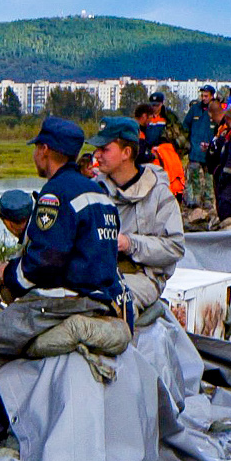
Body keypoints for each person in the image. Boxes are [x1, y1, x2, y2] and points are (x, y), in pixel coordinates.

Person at [0, 117, 126, 461]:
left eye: (37, 149)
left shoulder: (55, 194)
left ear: (45, 151)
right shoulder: (99, 193)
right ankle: (4, 432)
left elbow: (47, 260)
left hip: (57, 302)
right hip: (99, 299)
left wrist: (8, 277)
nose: (36, 156)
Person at [92, 117, 185, 314]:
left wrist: (129, 243)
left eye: (105, 149)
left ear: (126, 153)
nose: (97, 155)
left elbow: (175, 248)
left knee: (115, 302)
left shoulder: (159, 194)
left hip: (143, 276)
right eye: (97, 149)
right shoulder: (93, 191)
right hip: (98, 272)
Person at [135, 102, 186, 200]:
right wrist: (152, 156)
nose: (151, 121)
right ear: (145, 116)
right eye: (150, 117)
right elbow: (139, 156)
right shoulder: (138, 132)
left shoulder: (138, 130)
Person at [181, 85, 220, 210]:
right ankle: (195, 201)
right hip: (195, 151)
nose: (203, 98)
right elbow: (185, 126)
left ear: (212, 96)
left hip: (210, 153)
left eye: (206, 96)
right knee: (194, 177)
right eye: (202, 95)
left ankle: (209, 202)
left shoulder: (216, 109)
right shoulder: (194, 109)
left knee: (209, 179)